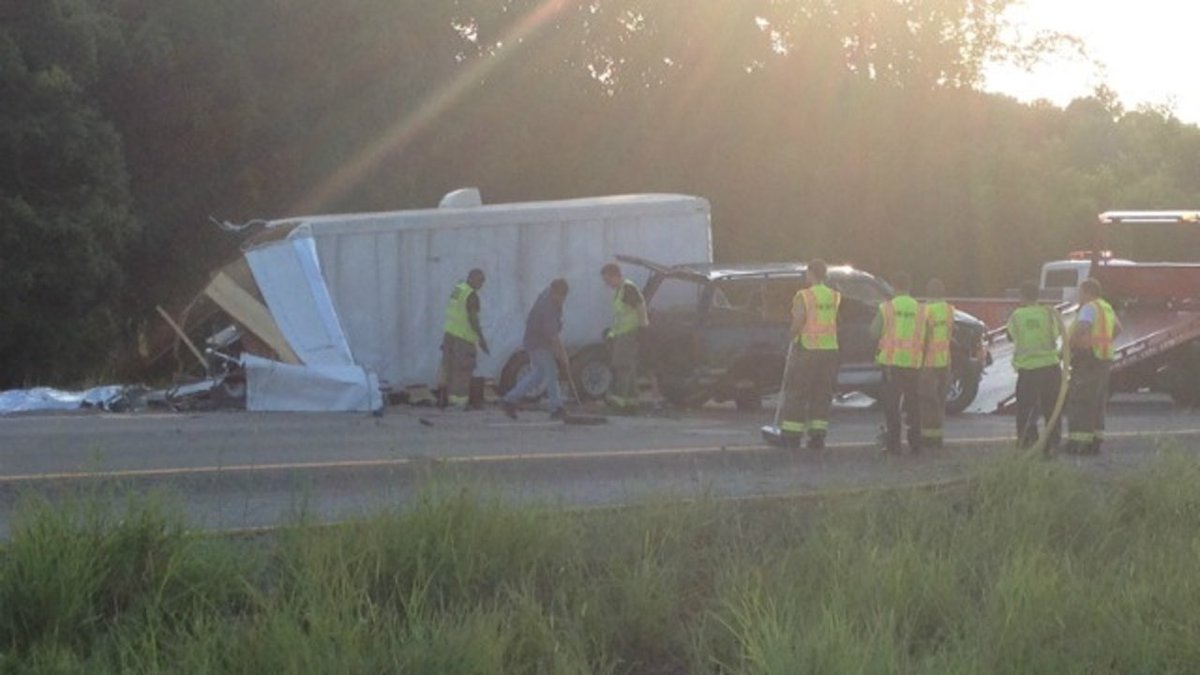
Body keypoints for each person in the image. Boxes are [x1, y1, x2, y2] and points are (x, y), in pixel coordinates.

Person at [779, 259, 841, 449]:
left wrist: (791, 336)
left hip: (807, 349)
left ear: (811, 273)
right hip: (829, 350)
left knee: (797, 391)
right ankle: (817, 436)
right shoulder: (834, 296)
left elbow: (799, 322)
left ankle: (792, 435)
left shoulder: (804, 296)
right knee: (822, 393)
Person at [872, 272, 927, 454]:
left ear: (894, 286)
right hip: (913, 363)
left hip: (891, 363)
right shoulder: (920, 310)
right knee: (914, 405)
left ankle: (894, 445)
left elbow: (873, 332)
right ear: (910, 287)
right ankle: (916, 444)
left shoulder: (886, 308)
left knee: (892, 406)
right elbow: (926, 336)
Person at [1065, 277, 1121, 455]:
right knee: (1097, 401)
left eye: (1080, 292)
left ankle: (1078, 442)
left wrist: (1069, 346)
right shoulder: (1106, 307)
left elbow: (1082, 328)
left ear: (1087, 292)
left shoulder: (1089, 307)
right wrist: (1104, 343)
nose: (1079, 296)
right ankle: (1095, 440)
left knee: (1081, 400)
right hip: (1104, 359)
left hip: (1088, 359)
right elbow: (1118, 328)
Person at [1005, 280, 1063, 451]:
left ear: (1022, 296)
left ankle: (1027, 444)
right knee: (1052, 409)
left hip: (1029, 371)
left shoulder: (1017, 315)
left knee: (1026, 410)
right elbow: (1057, 333)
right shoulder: (1048, 313)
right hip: (1051, 368)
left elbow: (1010, 336)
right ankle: (1052, 445)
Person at [502, 279, 570, 420]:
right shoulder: (548, 307)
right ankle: (556, 407)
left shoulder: (548, 296)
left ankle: (509, 400)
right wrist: (563, 356)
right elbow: (553, 335)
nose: (562, 300)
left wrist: (560, 353)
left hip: (533, 341)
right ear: (555, 293)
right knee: (552, 373)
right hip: (539, 343)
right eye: (561, 296)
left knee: (538, 374)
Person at [601, 262, 648, 413]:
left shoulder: (628, 288)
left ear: (615, 276)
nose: (606, 284)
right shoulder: (620, 290)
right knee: (628, 367)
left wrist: (642, 328)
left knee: (622, 366)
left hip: (629, 333)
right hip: (622, 333)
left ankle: (619, 401)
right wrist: (611, 333)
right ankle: (632, 401)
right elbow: (621, 316)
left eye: (607, 280)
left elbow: (640, 307)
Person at [441, 268, 489, 409]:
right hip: (463, 339)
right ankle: (460, 403)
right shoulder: (471, 295)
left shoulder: (458, 289)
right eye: (480, 280)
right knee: (463, 371)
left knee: (451, 369)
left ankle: (451, 400)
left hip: (450, 335)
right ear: (472, 278)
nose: (481, 285)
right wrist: (481, 338)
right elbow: (473, 319)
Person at [918, 279, 954, 449]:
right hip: (944, 359)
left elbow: (923, 338)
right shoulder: (949, 309)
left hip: (929, 361)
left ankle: (927, 438)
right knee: (940, 401)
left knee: (927, 401)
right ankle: (938, 438)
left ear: (928, 292)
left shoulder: (925, 310)